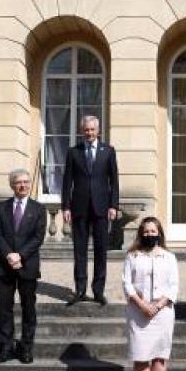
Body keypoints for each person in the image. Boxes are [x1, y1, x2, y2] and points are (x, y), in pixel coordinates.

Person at [122, 217, 179, 371]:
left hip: (162, 313)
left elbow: (173, 285)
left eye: (153, 231)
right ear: (141, 234)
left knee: (159, 357)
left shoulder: (169, 257)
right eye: (146, 231)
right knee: (140, 357)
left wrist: (158, 305)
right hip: (138, 312)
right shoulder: (132, 256)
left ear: (159, 233)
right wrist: (142, 305)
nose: (149, 234)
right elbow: (127, 284)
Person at [61, 114, 120, 306]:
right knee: (79, 250)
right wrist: (66, 206)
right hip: (79, 208)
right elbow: (67, 181)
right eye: (86, 129)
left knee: (101, 250)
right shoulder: (73, 152)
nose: (89, 133)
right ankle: (80, 290)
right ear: (82, 131)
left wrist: (113, 205)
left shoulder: (108, 151)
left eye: (92, 129)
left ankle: (98, 291)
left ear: (98, 131)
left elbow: (114, 181)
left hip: (102, 207)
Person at [0, 168, 46, 364]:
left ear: (30, 184)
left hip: (27, 265)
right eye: (18, 182)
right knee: (5, 308)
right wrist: (9, 255)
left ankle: (26, 348)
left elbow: (38, 237)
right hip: (3, 265)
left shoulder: (39, 209)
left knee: (28, 308)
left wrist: (20, 255)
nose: (22, 185)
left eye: (25, 182)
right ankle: (6, 347)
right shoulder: (1, 207)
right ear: (12, 185)